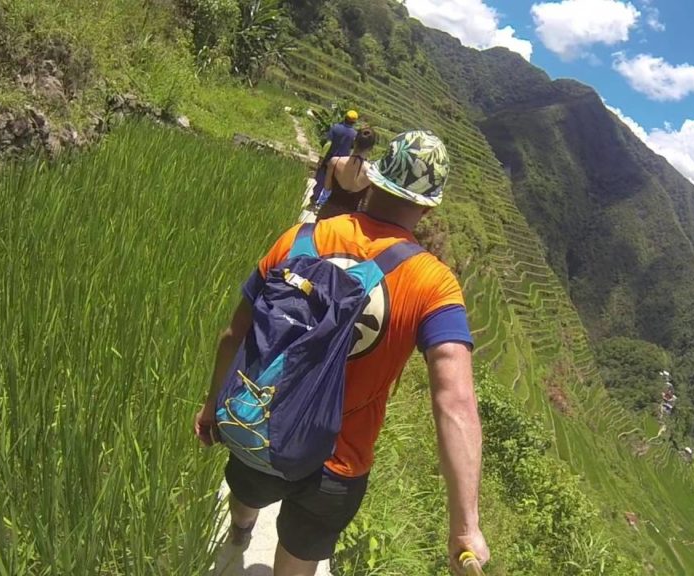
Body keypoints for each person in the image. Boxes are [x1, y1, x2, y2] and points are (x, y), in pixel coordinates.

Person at [194, 130, 489, 576]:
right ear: (429, 205)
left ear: (373, 179)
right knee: (299, 558)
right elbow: (455, 402)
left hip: (260, 420)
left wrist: (213, 405)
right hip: (339, 460)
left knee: (247, 491)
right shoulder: (434, 284)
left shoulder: (299, 239)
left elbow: (233, 334)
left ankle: (240, 532)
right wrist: (464, 526)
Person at [314, 126, 377, 220]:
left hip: (328, 214)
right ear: (371, 148)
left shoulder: (334, 162)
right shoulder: (372, 173)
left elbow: (327, 187)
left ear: (354, 141)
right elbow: (365, 203)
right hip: (349, 220)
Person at [310, 109, 359, 204]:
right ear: (354, 122)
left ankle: (314, 199)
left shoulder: (335, 128)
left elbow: (328, 144)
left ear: (345, 118)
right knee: (333, 184)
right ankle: (323, 203)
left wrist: (321, 158)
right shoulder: (354, 135)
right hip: (341, 163)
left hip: (329, 160)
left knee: (321, 180)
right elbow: (352, 150)